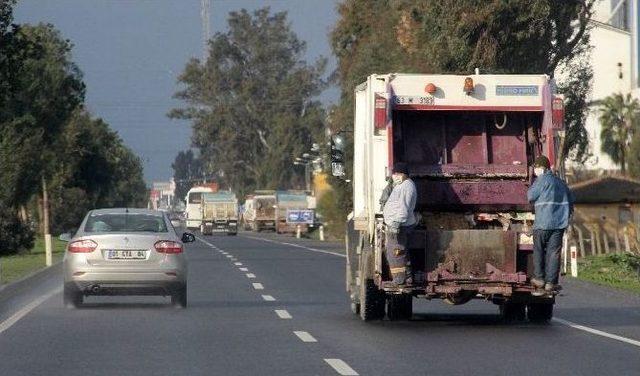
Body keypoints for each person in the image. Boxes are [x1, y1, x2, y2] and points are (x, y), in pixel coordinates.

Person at [527, 155, 574, 294]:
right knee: (554, 253)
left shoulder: (542, 181)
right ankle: (550, 283)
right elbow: (571, 203)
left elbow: (530, 197)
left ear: (541, 168)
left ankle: (539, 279)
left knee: (539, 251)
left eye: (535, 168)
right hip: (559, 225)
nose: (535, 171)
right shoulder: (561, 183)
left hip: (542, 223)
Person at [382, 162, 418, 286]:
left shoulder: (406, 187)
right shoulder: (402, 185)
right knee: (401, 253)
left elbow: (403, 207)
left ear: (404, 174)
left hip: (400, 226)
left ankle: (399, 279)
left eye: (397, 173)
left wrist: (396, 223)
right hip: (400, 224)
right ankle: (407, 277)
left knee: (396, 253)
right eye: (394, 173)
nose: (395, 175)